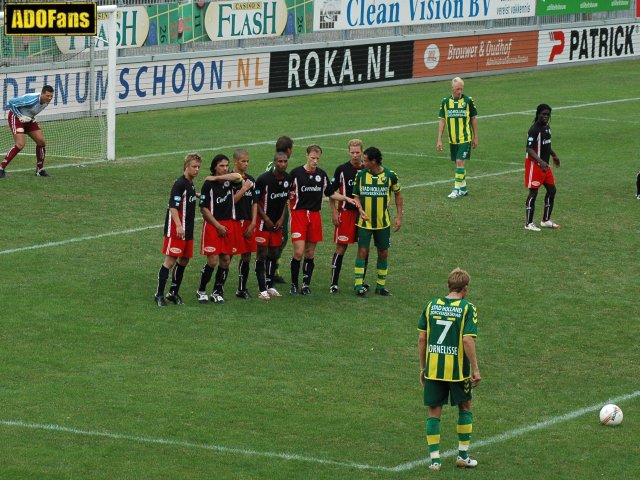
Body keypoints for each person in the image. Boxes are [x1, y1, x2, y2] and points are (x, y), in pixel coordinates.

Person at [418, 268, 480, 471]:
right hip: (457, 371)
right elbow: (467, 339)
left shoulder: (431, 306)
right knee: (465, 407)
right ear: (466, 288)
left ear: (448, 285)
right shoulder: (467, 308)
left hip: (434, 368)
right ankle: (462, 456)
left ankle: (435, 460)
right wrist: (476, 370)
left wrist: (423, 367)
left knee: (434, 411)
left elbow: (422, 338)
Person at [288, 144, 356, 295]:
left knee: (310, 253)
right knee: (299, 252)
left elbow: (331, 193)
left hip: (314, 216)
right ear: (307, 156)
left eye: (317, 158)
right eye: (313, 158)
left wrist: (346, 198)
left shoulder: (321, 175)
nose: (315, 161)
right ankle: (294, 283)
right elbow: (286, 191)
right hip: (298, 215)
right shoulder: (296, 173)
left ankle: (305, 285)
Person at [352, 147, 403, 297]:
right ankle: (358, 285)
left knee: (383, 252)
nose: (363, 162)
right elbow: (356, 196)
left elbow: (398, 195)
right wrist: (360, 208)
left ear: (374, 161)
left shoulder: (390, 175)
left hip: (383, 223)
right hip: (364, 223)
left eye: (365, 160)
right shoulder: (360, 175)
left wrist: (399, 216)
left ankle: (381, 286)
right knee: (362, 251)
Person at [154, 153, 202, 307]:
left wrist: (196, 195)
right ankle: (159, 294)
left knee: (184, 260)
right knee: (170, 260)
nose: (197, 170)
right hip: (177, 229)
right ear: (186, 166)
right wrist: (179, 226)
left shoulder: (189, 183)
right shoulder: (179, 183)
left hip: (188, 229)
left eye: (198, 167)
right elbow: (173, 206)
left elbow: (185, 196)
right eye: (194, 167)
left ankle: (173, 292)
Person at [196, 154, 242, 304]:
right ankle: (201, 290)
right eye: (221, 166)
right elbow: (203, 209)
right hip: (212, 225)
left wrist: (216, 178)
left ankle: (217, 291)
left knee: (226, 260)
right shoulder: (208, 185)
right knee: (213, 260)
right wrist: (217, 226)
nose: (224, 168)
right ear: (214, 166)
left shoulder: (229, 182)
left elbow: (238, 177)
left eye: (226, 165)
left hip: (228, 224)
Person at [329, 139, 367, 294]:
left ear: (362, 152)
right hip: (346, 214)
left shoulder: (368, 170)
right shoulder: (342, 170)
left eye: (358, 152)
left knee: (364, 249)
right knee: (341, 247)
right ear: (348, 152)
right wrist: (333, 212)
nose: (355, 155)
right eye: (352, 152)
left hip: (364, 215)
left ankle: (360, 282)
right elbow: (331, 192)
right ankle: (333, 283)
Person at [254, 151, 292, 300]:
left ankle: (270, 285)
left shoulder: (289, 179)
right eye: (280, 162)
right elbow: (255, 201)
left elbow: (285, 202)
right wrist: (266, 219)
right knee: (261, 254)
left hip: (277, 225)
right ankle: (262, 288)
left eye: (285, 161)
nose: (283, 164)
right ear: (274, 163)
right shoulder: (264, 179)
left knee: (274, 253)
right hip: (263, 224)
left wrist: (281, 219)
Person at [436, 77, 478, 199]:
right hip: (452, 139)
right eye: (457, 89)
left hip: (465, 138)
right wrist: (439, 139)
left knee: (460, 162)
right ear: (452, 89)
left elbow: (473, 119)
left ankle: (456, 189)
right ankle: (463, 189)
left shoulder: (468, 101)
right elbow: (442, 121)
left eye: (461, 88)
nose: (459, 91)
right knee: (458, 164)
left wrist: (475, 137)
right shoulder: (445, 102)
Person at [0, 85, 55, 178]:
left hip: (29, 119)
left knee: (41, 141)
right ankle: (1, 167)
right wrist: (20, 116)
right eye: (47, 96)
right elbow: (11, 103)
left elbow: (31, 110)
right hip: (16, 117)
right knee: (20, 144)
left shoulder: (45, 102)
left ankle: (40, 170)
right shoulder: (31, 100)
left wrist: (31, 117)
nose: (49, 98)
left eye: (51, 96)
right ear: (42, 94)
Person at [524, 103, 561, 231]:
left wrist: (554, 156)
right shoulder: (534, 129)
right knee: (533, 192)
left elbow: (547, 145)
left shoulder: (547, 128)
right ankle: (528, 223)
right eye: (543, 114)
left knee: (552, 190)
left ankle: (546, 220)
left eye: (548, 114)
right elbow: (529, 148)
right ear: (538, 114)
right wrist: (540, 161)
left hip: (545, 165)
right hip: (535, 165)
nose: (546, 116)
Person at [231, 149, 258, 299]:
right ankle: (217, 289)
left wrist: (254, 222)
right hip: (233, 222)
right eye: (243, 161)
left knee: (247, 256)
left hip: (248, 222)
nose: (246, 164)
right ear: (235, 161)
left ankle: (242, 288)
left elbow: (254, 202)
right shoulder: (228, 179)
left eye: (247, 161)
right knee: (226, 257)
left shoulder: (250, 179)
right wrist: (243, 189)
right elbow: (232, 201)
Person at [267, 135, 294, 284]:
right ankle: (272, 270)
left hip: (273, 208)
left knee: (277, 241)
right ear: (289, 149)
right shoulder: (277, 168)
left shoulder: (272, 163)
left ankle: (271, 269)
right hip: (277, 210)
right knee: (279, 240)